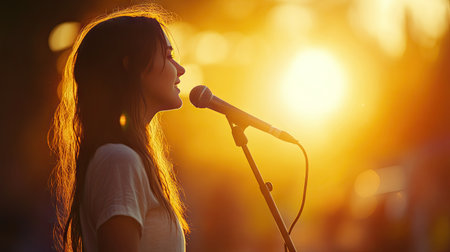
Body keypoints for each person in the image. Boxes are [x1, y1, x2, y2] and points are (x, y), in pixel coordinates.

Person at [49, 4, 189, 252]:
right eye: (168, 56)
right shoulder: (119, 160)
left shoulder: (126, 158)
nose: (180, 70)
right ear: (130, 65)